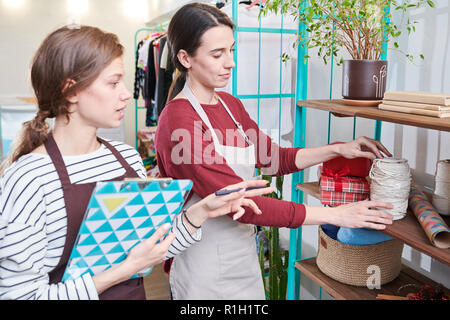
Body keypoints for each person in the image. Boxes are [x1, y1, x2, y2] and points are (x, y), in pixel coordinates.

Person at [0, 25, 273, 300]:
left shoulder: (125, 158)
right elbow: (18, 295)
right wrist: (125, 270)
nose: (124, 94)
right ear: (71, 90)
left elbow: (154, 247)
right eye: (113, 82)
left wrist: (201, 211)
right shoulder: (29, 180)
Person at [155, 2, 395, 300]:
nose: (230, 62)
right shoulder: (179, 119)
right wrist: (337, 215)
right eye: (217, 54)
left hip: (242, 253)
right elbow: (239, 204)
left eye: (231, 51)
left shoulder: (230, 105)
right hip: (203, 264)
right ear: (184, 58)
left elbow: (274, 159)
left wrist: (338, 150)